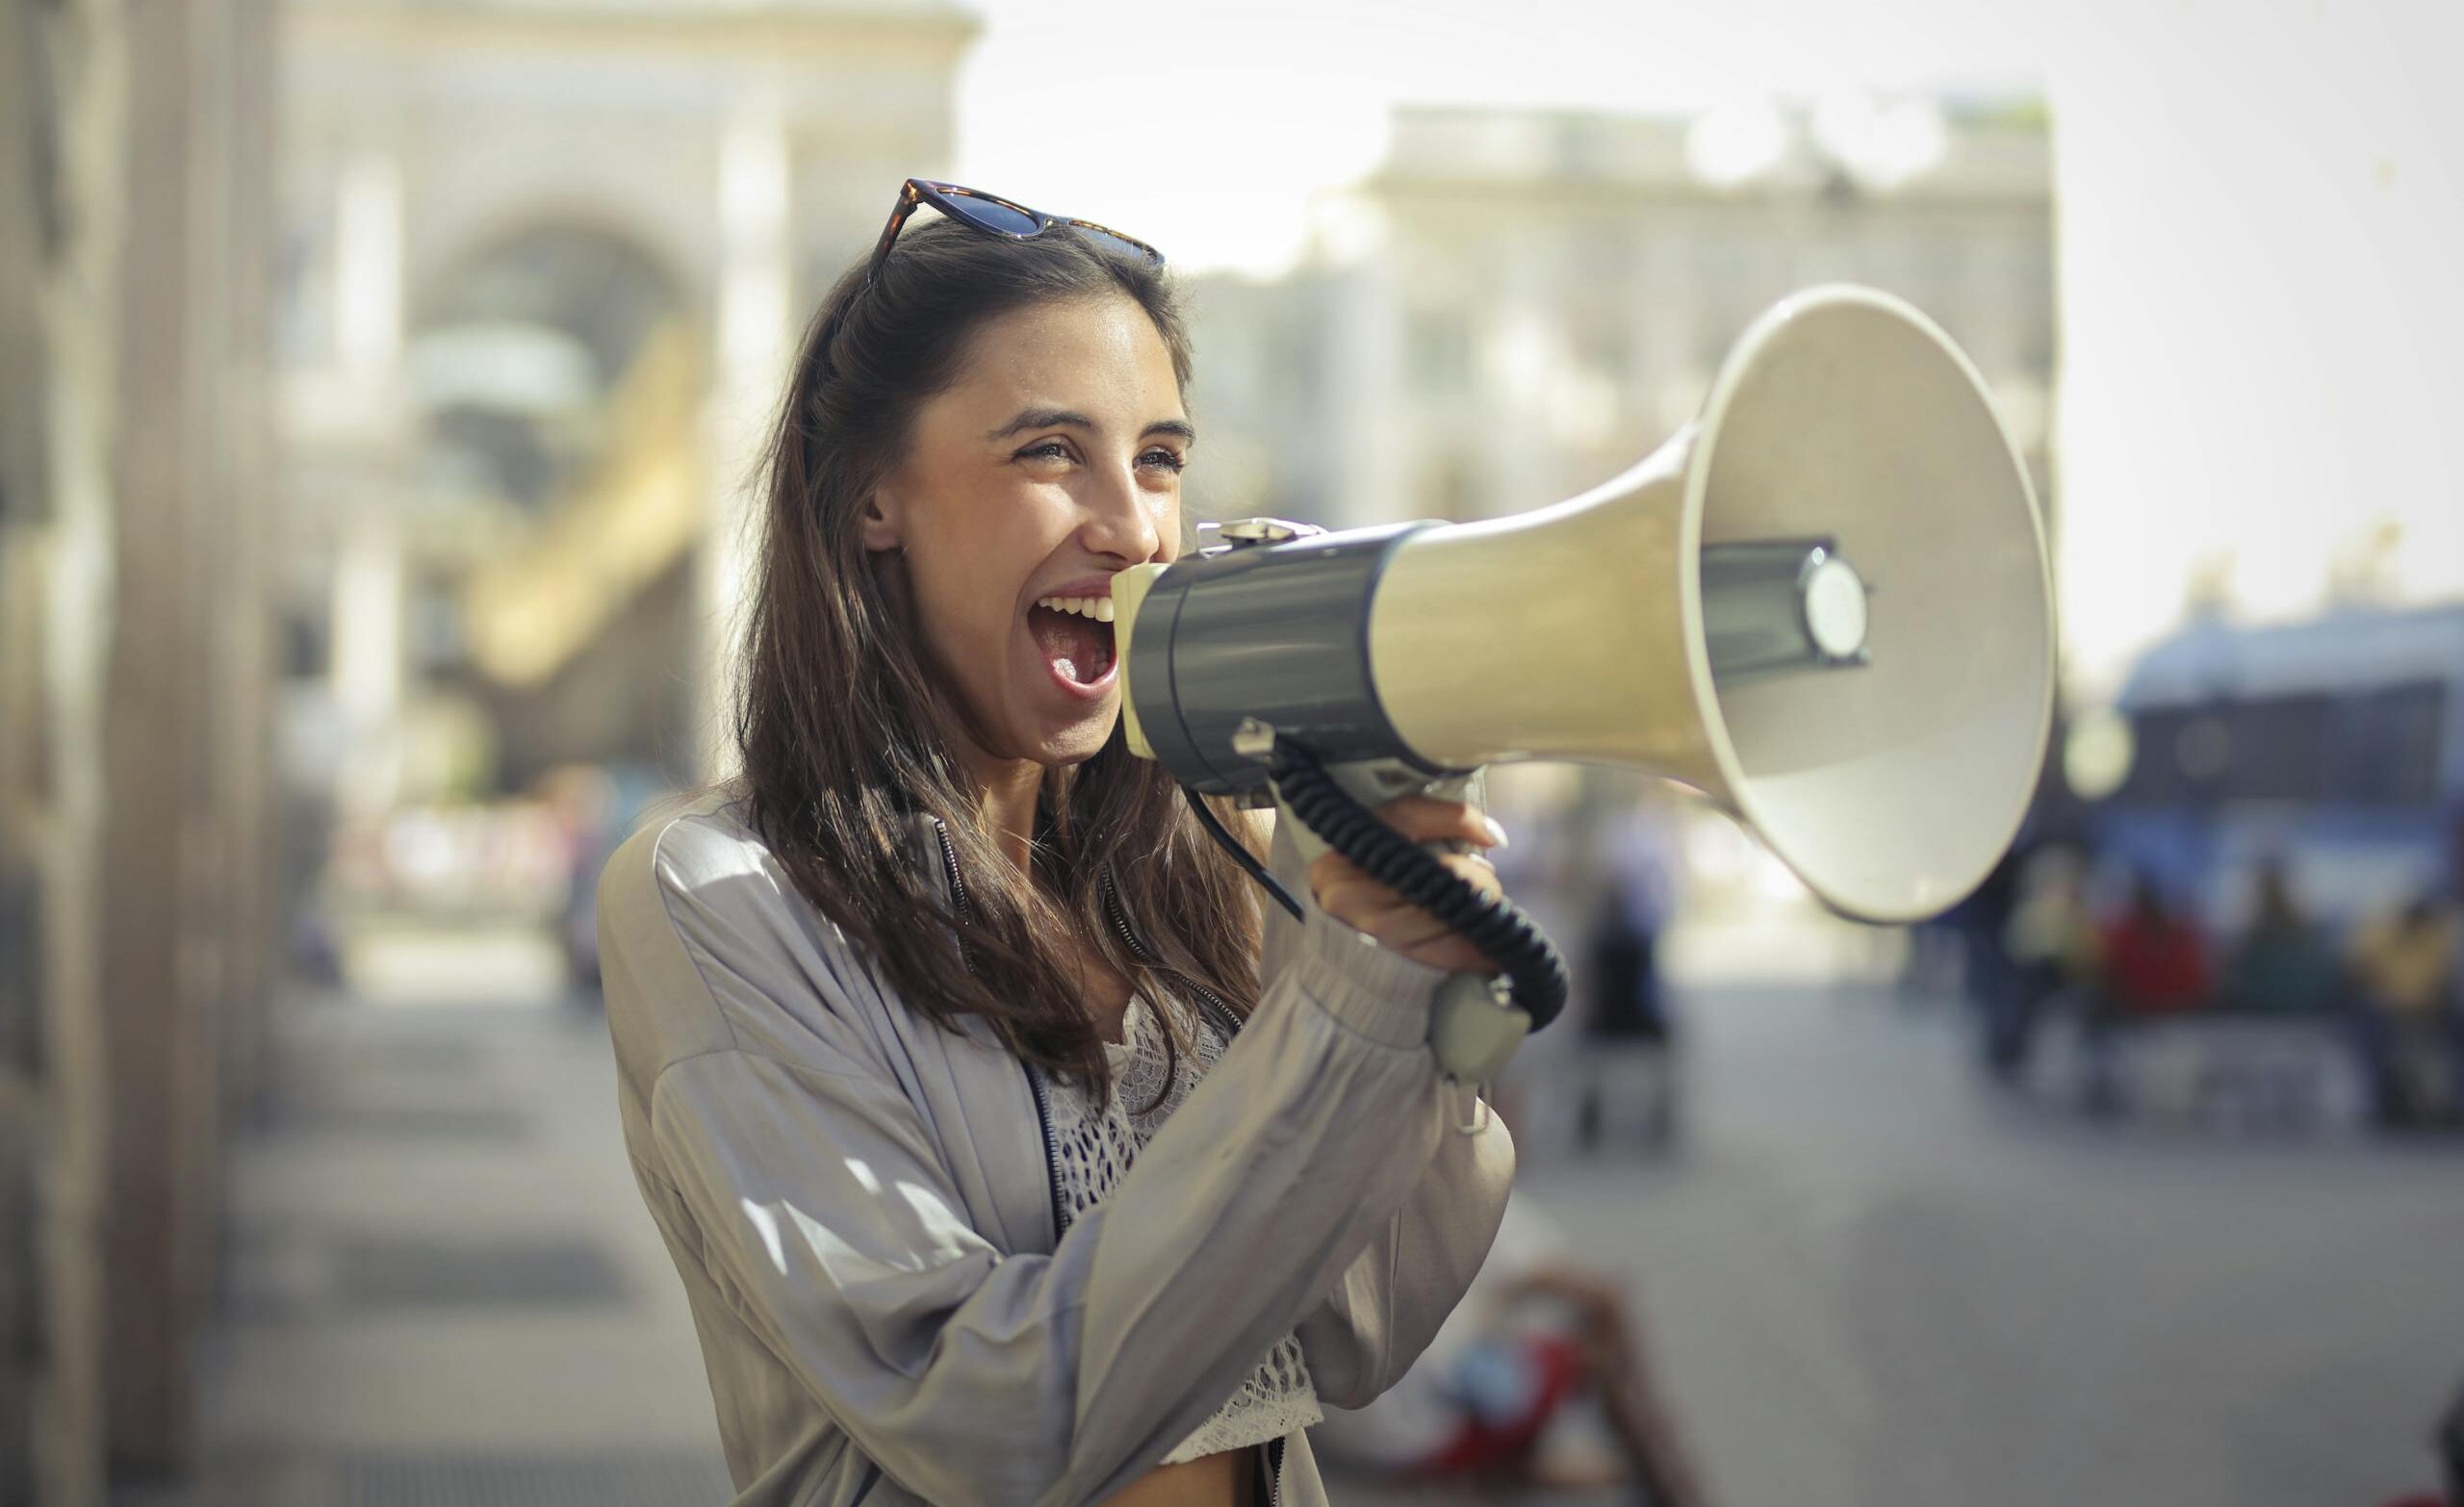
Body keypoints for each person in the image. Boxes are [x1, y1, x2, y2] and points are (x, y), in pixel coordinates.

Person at [594, 182, 1516, 1507]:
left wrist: (1411, 1003)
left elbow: (1353, 1328)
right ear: (870, 499)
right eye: (1049, 453)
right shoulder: (719, 894)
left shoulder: (1205, 862)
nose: (1134, 526)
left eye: (1158, 458)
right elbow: (985, 1420)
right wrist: (1338, 1016)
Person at [1312, 1195, 1711, 1506]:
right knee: (1588, 1335)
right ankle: (1662, 1473)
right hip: (1411, 1436)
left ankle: (1534, 1466)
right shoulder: (1464, 1174)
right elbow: (1588, 1293)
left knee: (1530, 1338)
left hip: (1346, 1432)